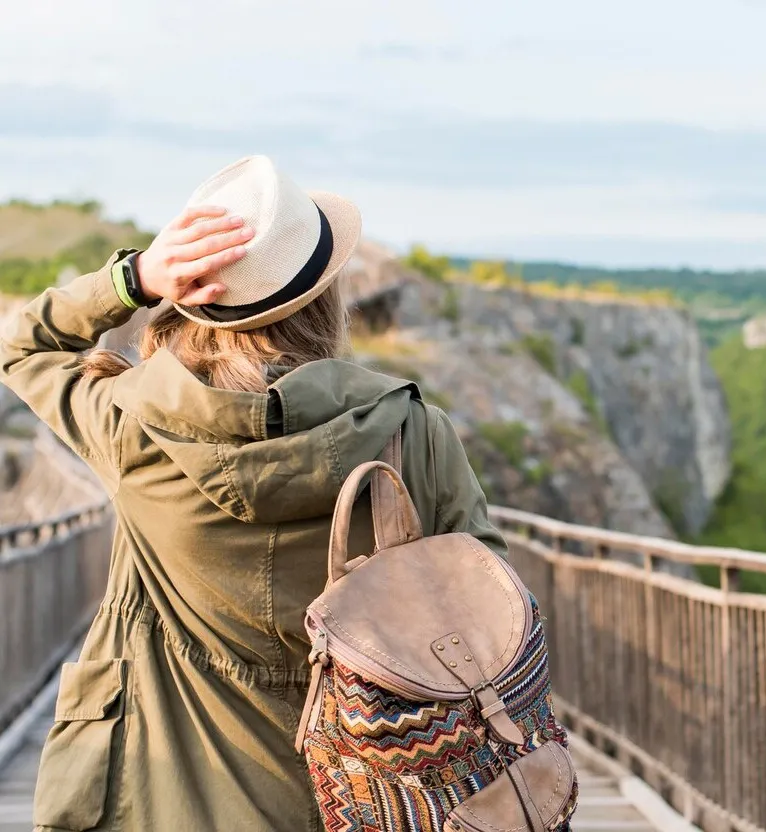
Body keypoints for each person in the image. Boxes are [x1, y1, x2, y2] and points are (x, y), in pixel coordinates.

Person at [0, 155, 506, 831]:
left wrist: (134, 279)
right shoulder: (413, 430)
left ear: (193, 300)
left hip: (166, 789)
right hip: (373, 784)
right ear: (321, 298)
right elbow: (490, 591)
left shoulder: (130, 421)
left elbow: (22, 349)